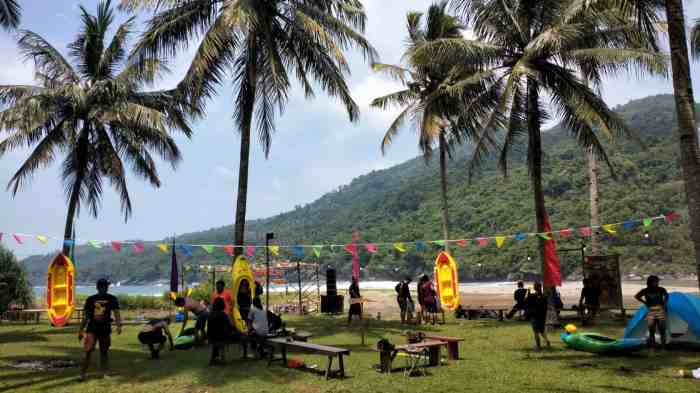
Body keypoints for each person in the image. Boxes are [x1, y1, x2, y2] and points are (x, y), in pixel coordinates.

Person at [78, 278, 122, 381]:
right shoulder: (90, 299)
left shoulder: (112, 299)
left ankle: (105, 373)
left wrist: (119, 325)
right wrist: (81, 330)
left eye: (106, 286)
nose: (105, 288)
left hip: (105, 329)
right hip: (92, 329)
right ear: (98, 287)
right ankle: (82, 374)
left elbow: (116, 313)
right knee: (88, 351)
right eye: (103, 286)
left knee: (104, 351)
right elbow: (86, 317)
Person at [635, 275, 669, 348]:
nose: (657, 283)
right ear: (650, 282)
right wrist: (645, 302)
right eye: (655, 281)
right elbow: (637, 296)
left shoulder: (661, 289)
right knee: (651, 329)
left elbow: (667, 295)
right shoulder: (645, 290)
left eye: (657, 281)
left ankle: (663, 346)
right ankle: (652, 346)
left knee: (662, 329)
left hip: (660, 310)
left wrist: (664, 303)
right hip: (651, 311)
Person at [207, 297, 236, 365]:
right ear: (223, 305)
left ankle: (213, 359)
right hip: (222, 337)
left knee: (216, 343)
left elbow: (208, 328)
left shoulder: (210, 315)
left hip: (211, 337)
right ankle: (222, 358)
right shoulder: (224, 315)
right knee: (224, 338)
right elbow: (231, 326)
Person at [525, 282, 550, 350]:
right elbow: (545, 306)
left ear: (535, 288)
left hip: (535, 316)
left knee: (536, 332)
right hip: (542, 316)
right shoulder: (544, 296)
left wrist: (528, 292)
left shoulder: (533, 296)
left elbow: (525, 300)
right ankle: (547, 341)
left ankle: (538, 346)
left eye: (534, 286)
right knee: (542, 330)